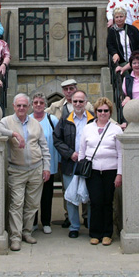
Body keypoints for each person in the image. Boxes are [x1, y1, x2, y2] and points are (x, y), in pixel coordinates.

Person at [0, 94, 51, 251]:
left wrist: (46, 167)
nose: (21, 108)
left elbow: (44, 147)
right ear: (14, 106)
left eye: (24, 106)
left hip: (35, 168)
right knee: (16, 204)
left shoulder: (35, 123)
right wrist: (14, 134)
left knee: (32, 204)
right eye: (18, 105)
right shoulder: (7, 121)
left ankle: (27, 232)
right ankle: (15, 237)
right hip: (16, 169)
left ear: (28, 107)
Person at [79, 97, 122, 246]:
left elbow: (121, 153)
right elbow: (82, 150)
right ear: (95, 112)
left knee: (107, 202)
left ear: (110, 112)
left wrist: (119, 174)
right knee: (95, 202)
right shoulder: (88, 128)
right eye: (100, 110)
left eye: (106, 111)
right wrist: (81, 169)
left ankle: (107, 233)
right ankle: (95, 233)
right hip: (93, 170)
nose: (102, 113)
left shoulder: (116, 129)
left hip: (111, 169)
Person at [53, 90, 95, 238]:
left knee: (89, 195)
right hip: (71, 163)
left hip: (89, 163)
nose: (77, 104)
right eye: (75, 101)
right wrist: (70, 153)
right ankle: (74, 226)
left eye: (81, 101)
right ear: (71, 102)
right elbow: (57, 139)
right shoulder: (65, 120)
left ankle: (90, 223)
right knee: (71, 196)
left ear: (86, 102)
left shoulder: (93, 119)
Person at [30, 92, 60, 234]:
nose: (38, 105)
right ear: (32, 104)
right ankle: (33, 222)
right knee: (32, 194)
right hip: (32, 163)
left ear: (45, 105)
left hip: (49, 163)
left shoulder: (51, 119)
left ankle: (46, 222)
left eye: (41, 102)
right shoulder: (27, 119)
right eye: (35, 102)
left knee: (47, 195)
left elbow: (58, 139)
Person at [108, 7, 139, 75]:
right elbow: (110, 45)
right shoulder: (112, 31)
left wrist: (136, 56)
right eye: (117, 17)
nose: (119, 19)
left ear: (125, 17)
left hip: (135, 61)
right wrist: (114, 53)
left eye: (121, 16)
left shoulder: (133, 29)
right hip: (121, 62)